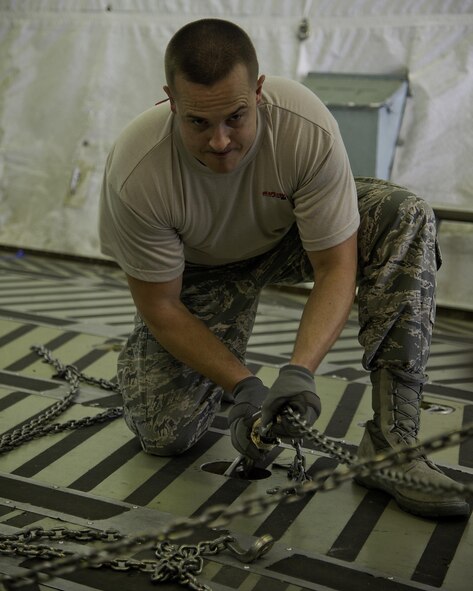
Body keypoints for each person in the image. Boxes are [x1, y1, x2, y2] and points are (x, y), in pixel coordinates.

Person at [99, 18, 469, 518]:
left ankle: (391, 442)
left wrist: (300, 374)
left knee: (401, 214)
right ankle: (159, 365)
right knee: (166, 434)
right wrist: (244, 388)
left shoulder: (304, 125)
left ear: (258, 89)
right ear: (169, 100)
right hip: (200, 271)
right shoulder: (138, 170)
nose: (221, 142)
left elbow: (335, 267)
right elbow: (162, 304)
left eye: (236, 117)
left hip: (286, 238)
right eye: (198, 123)